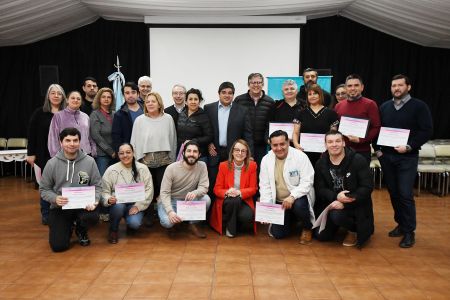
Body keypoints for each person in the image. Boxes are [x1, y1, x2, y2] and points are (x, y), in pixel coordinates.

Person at [374, 74, 433, 248]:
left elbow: (426, 131)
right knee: (393, 192)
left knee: (405, 194)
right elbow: (377, 130)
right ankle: (400, 223)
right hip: (387, 157)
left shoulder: (419, 106)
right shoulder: (384, 107)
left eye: (400, 85)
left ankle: (409, 232)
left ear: (408, 87)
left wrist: (409, 146)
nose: (397, 89)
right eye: (394, 86)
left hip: (407, 156)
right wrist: (378, 151)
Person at [39, 127, 101, 252]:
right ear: (61, 142)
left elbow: (98, 186)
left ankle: (80, 229)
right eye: (68, 140)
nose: (72, 144)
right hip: (60, 206)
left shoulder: (90, 162)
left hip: (83, 206)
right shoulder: (52, 163)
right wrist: (55, 198)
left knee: (92, 217)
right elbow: (44, 189)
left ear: (80, 142)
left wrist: (95, 200)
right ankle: (67, 227)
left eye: (75, 140)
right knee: (59, 246)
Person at [314, 130, 374, 247]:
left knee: (337, 215)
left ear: (344, 143)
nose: (334, 144)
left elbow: (367, 187)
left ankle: (353, 230)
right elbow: (319, 188)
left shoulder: (358, 160)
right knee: (321, 236)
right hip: (333, 203)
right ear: (325, 145)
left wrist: (345, 202)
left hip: (355, 204)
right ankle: (339, 225)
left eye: (338, 141)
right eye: (330, 142)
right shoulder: (321, 163)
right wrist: (335, 197)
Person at [259, 130, 315, 244]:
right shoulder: (266, 160)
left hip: (298, 198)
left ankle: (307, 227)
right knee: (278, 234)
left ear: (288, 143)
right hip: (280, 203)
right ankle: (291, 219)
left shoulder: (300, 156)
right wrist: (266, 208)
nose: (279, 148)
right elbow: (265, 186)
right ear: (270, 145)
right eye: (275, 145)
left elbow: (307, 181)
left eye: (282, 144)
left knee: (299, 206)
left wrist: (292, 196)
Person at [130, 92, 176, 224]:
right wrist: (136, 162)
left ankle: (163, 216)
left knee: (163, 190)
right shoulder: (139, 120)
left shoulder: (168, 118)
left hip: (165, 161)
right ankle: (149, 215)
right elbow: (134, 142)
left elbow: (173, 140)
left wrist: (172, 161)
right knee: (147, 190)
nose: (150, 103)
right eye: (147, 101)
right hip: (145, 162)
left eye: (153, 101)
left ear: (159, 103)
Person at [27, 84, 66, 225]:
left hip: (65, 156)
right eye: (53, 93)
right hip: (44, 155)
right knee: (46, 185)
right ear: (48, 96)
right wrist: (30, 154)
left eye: (59, 93)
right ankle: (46, 213)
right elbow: (32, 134)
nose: (56, 96)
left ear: (63, 97)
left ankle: (64, 212)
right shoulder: (39, 113)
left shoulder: (67, 113)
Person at [204, 81, 253, 193]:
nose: (227, 95)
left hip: (234, 153)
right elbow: (205, 129)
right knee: (213, 183)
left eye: (230, 93)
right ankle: (213, 210)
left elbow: (248, 134)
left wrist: (251, 155)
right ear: (219, 93)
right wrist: (208, 143)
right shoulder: (208, 108)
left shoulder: (242, 110)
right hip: (214, 152)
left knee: (231, 184)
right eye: (224, 92)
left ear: (233, 95)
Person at [102, 143, 154, 244]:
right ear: (118, 154)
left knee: (135, 223)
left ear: (133, 153)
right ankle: (113, 230)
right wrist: (108, 199)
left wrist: (138, 206)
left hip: (134, 205)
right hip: (118, 204)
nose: (125, 155)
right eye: (122, 153)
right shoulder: (111, 170)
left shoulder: (143, 169)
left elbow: (149, 190)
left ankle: (131, 225)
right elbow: (104, 191)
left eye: (128, 152)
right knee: (118, 208)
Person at [158, 141, 211, 238]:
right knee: (167, 222)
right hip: (171, 200)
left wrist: (195, 192)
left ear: (199, 155)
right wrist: (170, 211)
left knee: (206, 200)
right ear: (183, 153)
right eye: (189, 151)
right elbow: (164, 192)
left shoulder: (202, 166)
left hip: (187, 201)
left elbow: (204, 187)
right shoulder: (171, 168)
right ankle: (172, 226)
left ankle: (192, 224)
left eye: (195, 152)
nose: (191, 154)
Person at [210, 139, 257, 237]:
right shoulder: (223, 166)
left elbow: (253, 188)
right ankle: (231, 229)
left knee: (247, 216)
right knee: (233, 200)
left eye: (243, 151)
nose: (240, 153)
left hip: (243, 199)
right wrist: (227, 192)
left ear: (247, 153)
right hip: (227, 200)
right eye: (237, 150)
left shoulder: (252, 166)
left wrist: (239, 192)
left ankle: (233, 223)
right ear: (232, 152)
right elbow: (217, 189)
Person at [334, 74, 381, 164]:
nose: (352, 88)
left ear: (362, 87)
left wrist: (361, 140)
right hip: (342, 151)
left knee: (362, 178)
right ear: (346, 88)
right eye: (349, 86)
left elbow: (376, 127)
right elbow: (335, 128)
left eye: (356, 85)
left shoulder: (370, 104)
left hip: (362, 152)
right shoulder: (338, 106)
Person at [292, 84, 339, 166]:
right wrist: (296, 144)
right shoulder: (301, 113)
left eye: (315, 93)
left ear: (320, 95)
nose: (312, 96)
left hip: (325, 154)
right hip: (305, 153)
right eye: (309, 94)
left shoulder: (331, 113)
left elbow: (333, 134)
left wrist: (329, 146)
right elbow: (296, 132)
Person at [234, 73, 273, 167]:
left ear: (263, 84)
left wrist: (267, 138)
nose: (256, 85)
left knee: (260, 170)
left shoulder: (270, 102)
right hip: (243, 145)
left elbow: (270, 124)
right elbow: (235, 122)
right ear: (248, 84)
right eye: (253, 82)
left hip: (262, 145)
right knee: (243, 171)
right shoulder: (239, 100)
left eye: (259, 82)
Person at [48, 90, 96, 157]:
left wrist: (93, 151)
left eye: (78, 99)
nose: (76, 100)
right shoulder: (58, 116)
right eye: (73, 98)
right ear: (67, 100)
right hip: (65, 155)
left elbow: (90, 136)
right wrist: (56, 156)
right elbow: (53, 138)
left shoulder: (86, 116)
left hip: (85, 154)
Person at [176, 88, 213, 162]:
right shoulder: (182, 114)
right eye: (190, 99)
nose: (193, 102)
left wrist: (193, 141)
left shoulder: (203, 116)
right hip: (182, 154)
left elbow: (209, 137)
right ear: (186, 101)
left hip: (199, 156)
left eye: (196, 99)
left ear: (199, 102)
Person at [90, 88, 116, 176]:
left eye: (109, 97)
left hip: (116, 153)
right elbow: (96, 136)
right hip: (103, 155)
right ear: (99, 99)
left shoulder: (115, 114)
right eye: (103, 97)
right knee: (103, 181)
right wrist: (110, 151)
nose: (106, 99)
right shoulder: (95, 114)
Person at [111, 82, 144, 152]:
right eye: (127, 93)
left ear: (138, 94)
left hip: (147, 148)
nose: (130, 95)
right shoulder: (119, 115)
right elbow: (116, 137)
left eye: (133, 92)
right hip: (130, 152)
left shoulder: (146, 109)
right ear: (123, 95)